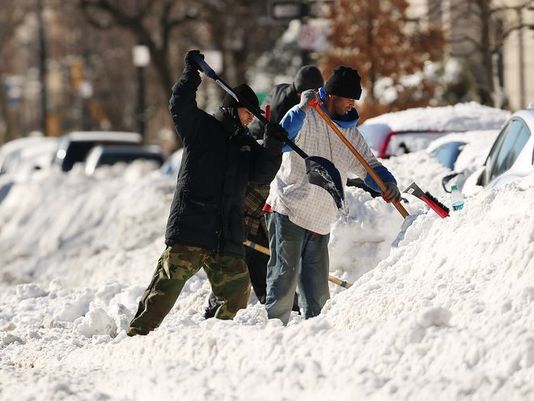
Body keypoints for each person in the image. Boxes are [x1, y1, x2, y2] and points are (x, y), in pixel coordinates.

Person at [127, 50, 286, 336]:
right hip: (193, 226)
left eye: (253, 114)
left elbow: (261, 174)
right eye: (246, 111)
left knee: (237, 290)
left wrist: (273, 146)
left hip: (226, 233)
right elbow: (179, 105)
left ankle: (215, 336)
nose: (250, 118)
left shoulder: (245, 145)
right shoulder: (202, 128)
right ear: (232, 107)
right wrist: (191, 73)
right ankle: (137, 335)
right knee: (165, 289)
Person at [264, 66, 401, 325]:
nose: (351, 105)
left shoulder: (350, 133)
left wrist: (387, 183)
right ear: (330, 95)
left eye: (354, 101)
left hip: (321, 219)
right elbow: (280, 140)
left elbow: (369, 165)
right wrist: (301, 108)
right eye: (347, 99)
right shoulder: (307, 117)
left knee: (318, 296)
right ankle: (273, 337)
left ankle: (316, 338)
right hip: (289, 209)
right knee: (283, 281)